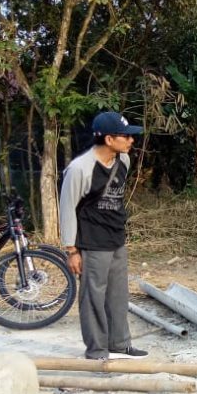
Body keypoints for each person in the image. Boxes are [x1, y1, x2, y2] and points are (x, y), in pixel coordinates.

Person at [59, 111, 148, 360]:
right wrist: (71, 250)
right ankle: (97, 349)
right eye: (125, 137)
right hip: (91, 241)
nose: (131, 141)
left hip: (116, 238)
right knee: (93, 297)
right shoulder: (79, 169)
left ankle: (120, 343)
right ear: (109, 139)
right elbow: (67, 209)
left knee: (118, 294)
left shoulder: (124, 161)